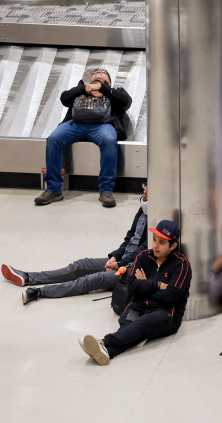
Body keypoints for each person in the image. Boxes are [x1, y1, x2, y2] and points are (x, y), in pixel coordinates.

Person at [3, 183, 148, 304]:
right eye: (145, 186)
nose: (145, 191)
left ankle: (38, 292)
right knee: (80, 265)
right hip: (123, 261)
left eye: (148, 188)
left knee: (91, 280)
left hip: (134, 269)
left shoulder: (159, 218)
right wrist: (115, 257)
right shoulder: (142, 209)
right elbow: (130, 237)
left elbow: (143, 251)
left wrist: (120, 264)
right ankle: (29, 277)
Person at [79, 220, 191, 366]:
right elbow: (131, 286)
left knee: (144, 323)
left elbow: (171, 297)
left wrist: (144, 285)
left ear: (173, 245)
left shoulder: (181, 265)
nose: (155, 245)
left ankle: (104, 342)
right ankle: (108, 353)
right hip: (139, 305)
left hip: (168, 313)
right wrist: (157, 285)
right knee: (128, 322)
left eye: (161, 242)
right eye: (154, 239)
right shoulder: (143, 256)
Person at [35, 67, 132, 208]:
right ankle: (53, 189)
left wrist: (103, 89)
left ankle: (106, 191)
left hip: (103, 125)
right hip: (75, 124)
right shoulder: (81, 89)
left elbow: (126, 102)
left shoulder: (114, 92)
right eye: (95, 73)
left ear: (109, 82)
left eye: (103, 72)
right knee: (53, 139)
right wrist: (85, 89)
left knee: (109, 141)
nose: (98, 72)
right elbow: (64, 98)